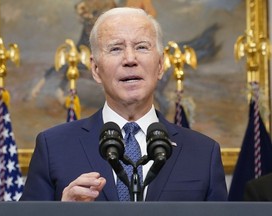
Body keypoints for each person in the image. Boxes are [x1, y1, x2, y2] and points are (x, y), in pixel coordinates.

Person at [20, 7, 227, 201]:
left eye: (142, 47)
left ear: (161, 65)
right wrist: (60, 213)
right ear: (95, 69)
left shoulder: (203, 153)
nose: (130, 59)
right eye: (116, 49)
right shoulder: (53, 147)